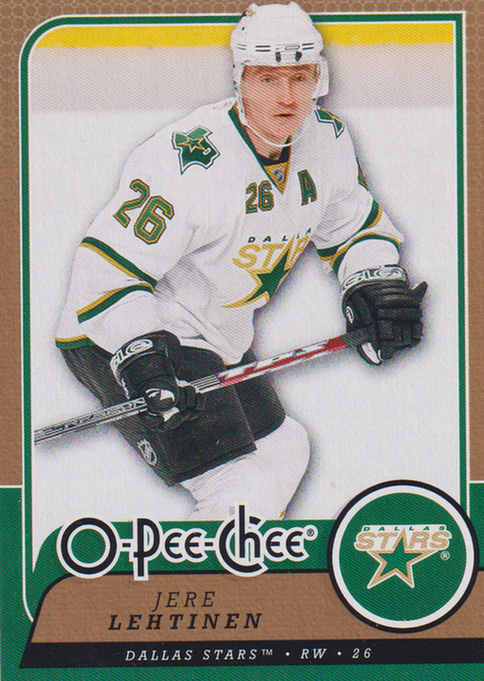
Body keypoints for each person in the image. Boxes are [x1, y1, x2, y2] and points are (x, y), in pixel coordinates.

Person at [55, 2, 426, 520]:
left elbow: (353, 228)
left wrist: (373, 284)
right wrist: (144, 362)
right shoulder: (185, 161)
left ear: (320, 79)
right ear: (240, 80)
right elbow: (106, 273)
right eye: (268, 78)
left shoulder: (328, 140)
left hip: (214, 338)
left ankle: (231, 558)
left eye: (300, 77)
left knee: (284, 447)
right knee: (238, 488)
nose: (286, 96)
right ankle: (208, 568)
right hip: (118, 334)